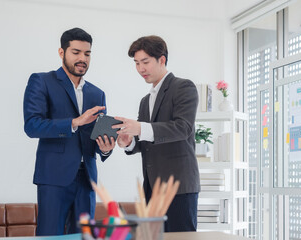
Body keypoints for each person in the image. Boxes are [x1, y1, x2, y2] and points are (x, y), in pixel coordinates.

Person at [23, 28, 115, 236]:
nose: (82, 58)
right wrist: (75, 122)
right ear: (61, 52)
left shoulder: (97, 93)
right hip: (54, 178)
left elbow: (98, 139)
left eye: (87, 53)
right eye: (76, 52)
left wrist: (106, 149)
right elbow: (32, 125)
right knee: (50, 235)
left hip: (87, 179)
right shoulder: (41, 81)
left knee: (84, 236)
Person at [114, 35, 200, 232]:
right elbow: (146, 142)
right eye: (136, 63)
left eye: (145, 62)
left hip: (179, 188)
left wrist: (141, 128)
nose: (140, 69)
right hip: (152, 189)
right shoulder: (145, 101)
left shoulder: (183, 87)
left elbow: (183, 128)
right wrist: (129, 142)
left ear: (162, 60)